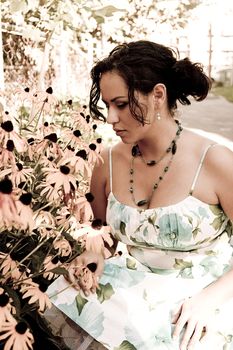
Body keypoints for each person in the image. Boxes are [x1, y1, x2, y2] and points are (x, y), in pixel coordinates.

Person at [50, 41, 233, 350]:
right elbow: (99, 232)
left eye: (120, 104)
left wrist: (209, 300)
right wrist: (95, 253)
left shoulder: (215, 161)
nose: (110, 117)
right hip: (133, 285)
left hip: (206, 294)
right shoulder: (106, 162)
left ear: (158, 95)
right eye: (107, 104)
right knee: (63, 296)